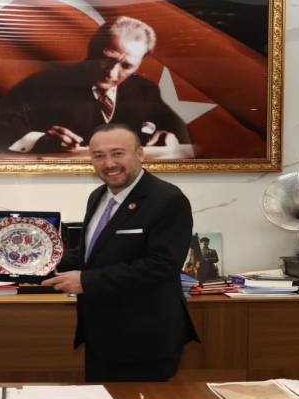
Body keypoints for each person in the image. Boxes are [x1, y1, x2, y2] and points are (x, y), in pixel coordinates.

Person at [42, 123, 199, 381]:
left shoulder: (168, 199)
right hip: (100, 336)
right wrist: (35, 261)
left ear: (140, 154)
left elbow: (161, 266)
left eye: (117, 153)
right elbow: (88, 255)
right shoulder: (97, 196)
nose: (108, 163)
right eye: (99, 155)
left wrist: (87, 281)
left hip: (144, 341)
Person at [0, 16, 190, 154]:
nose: (112, 73)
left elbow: (181, 134)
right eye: (107, 59)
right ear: (93, 49)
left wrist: (169, 138)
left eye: (126, 66)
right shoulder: (41, 85)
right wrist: (41, 141)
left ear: (140, 62)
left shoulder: (145, 90)